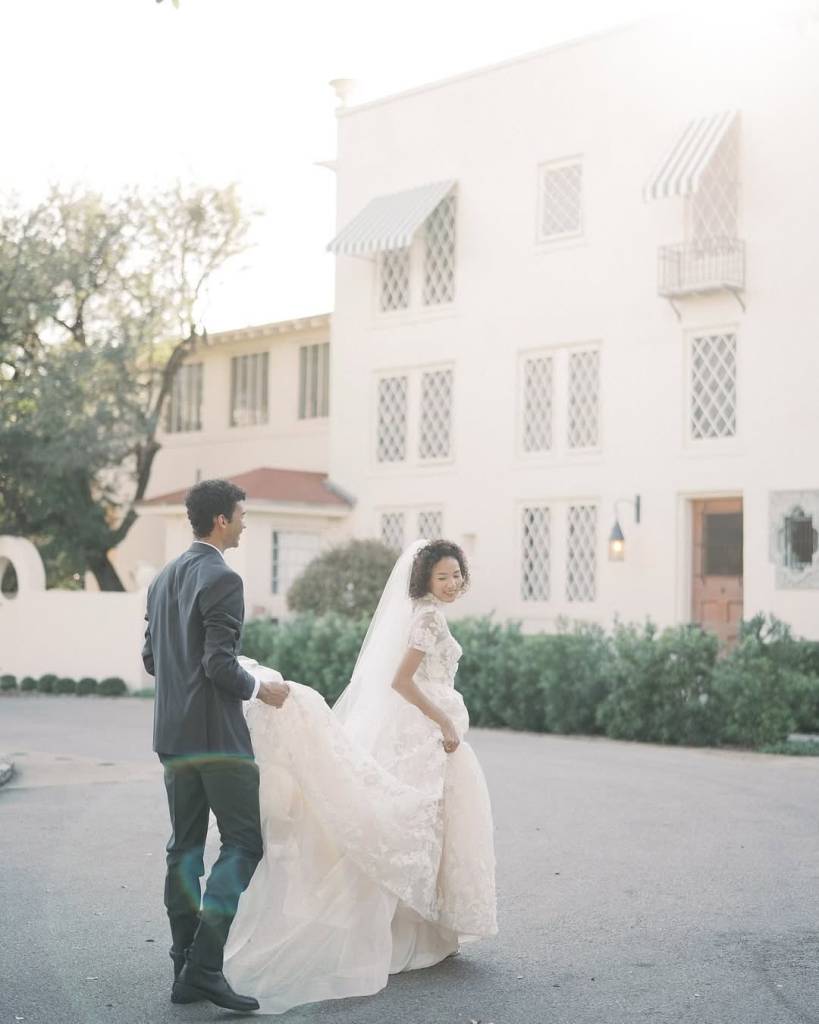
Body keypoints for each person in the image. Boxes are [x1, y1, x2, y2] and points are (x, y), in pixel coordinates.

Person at [223, 538, 497, 1014]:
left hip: (418, 734)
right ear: (425, 581)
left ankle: (417, 933)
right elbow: (402, 681)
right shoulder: (427, 617)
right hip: (425, 736)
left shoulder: (424, 612)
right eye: (443, 577)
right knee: (415, 829)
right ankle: (405, 936)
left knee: (417, 830)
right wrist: (445, 721)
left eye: (456, 575)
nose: (452, 583)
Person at [141, 478, 289, 1013]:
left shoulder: (162, 579)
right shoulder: (223, 577)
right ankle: (204, 967)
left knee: (183, 848)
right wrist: (259, 687)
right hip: (219, 740)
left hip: (172, 736)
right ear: (222, 520)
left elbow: (153, 660)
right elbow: (218, 665)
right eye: (242, 514)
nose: (246, 522)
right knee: (244, 844)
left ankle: (184, 965)